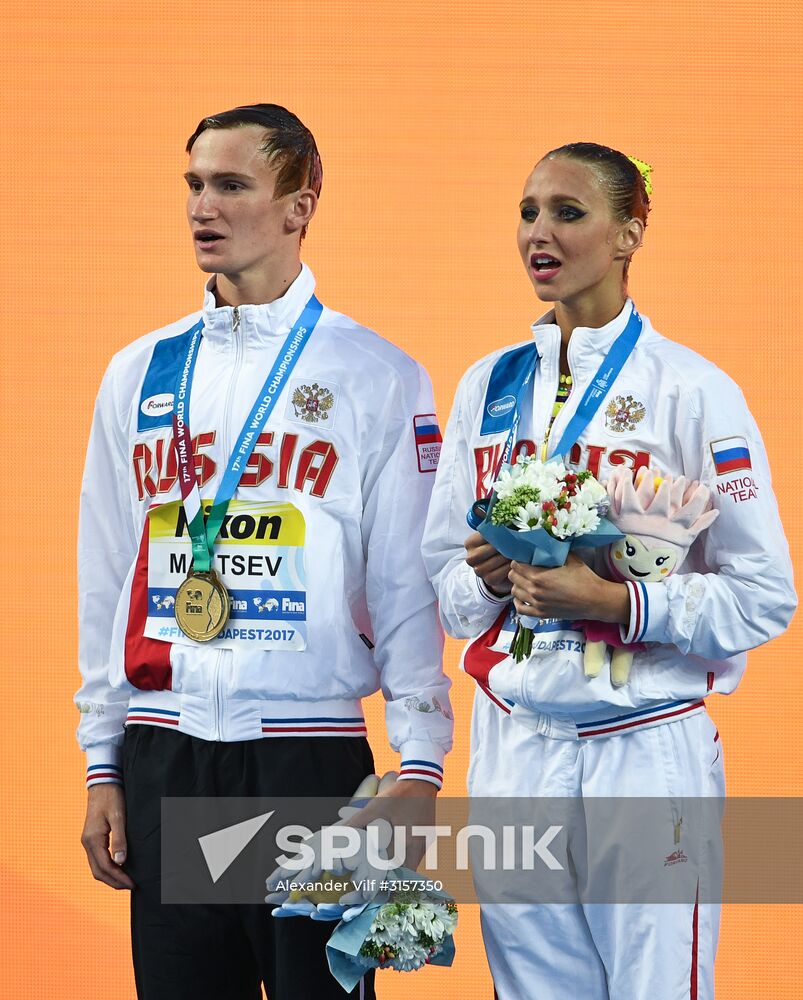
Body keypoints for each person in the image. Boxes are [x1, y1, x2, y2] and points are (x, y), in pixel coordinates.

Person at [76, 103, 452, 1000]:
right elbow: (106, 572)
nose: (204, 207)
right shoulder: (140, 371)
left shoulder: (374, 373)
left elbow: (406, 583)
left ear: (298, 206)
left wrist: (421, 760)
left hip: (307, 761)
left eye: (233, 185)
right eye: (195, 185)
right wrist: (102, 760)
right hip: (166, 755)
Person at [422, 142, 796, 999]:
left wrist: (617, 602)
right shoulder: (487, 386)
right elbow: (443, 587)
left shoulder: (693, 391)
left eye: (567, 211)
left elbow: (763, 596)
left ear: (629, 232)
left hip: (641, 748)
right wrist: (480, 578)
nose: (537, 233)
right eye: (526, 211)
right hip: (512, 745)